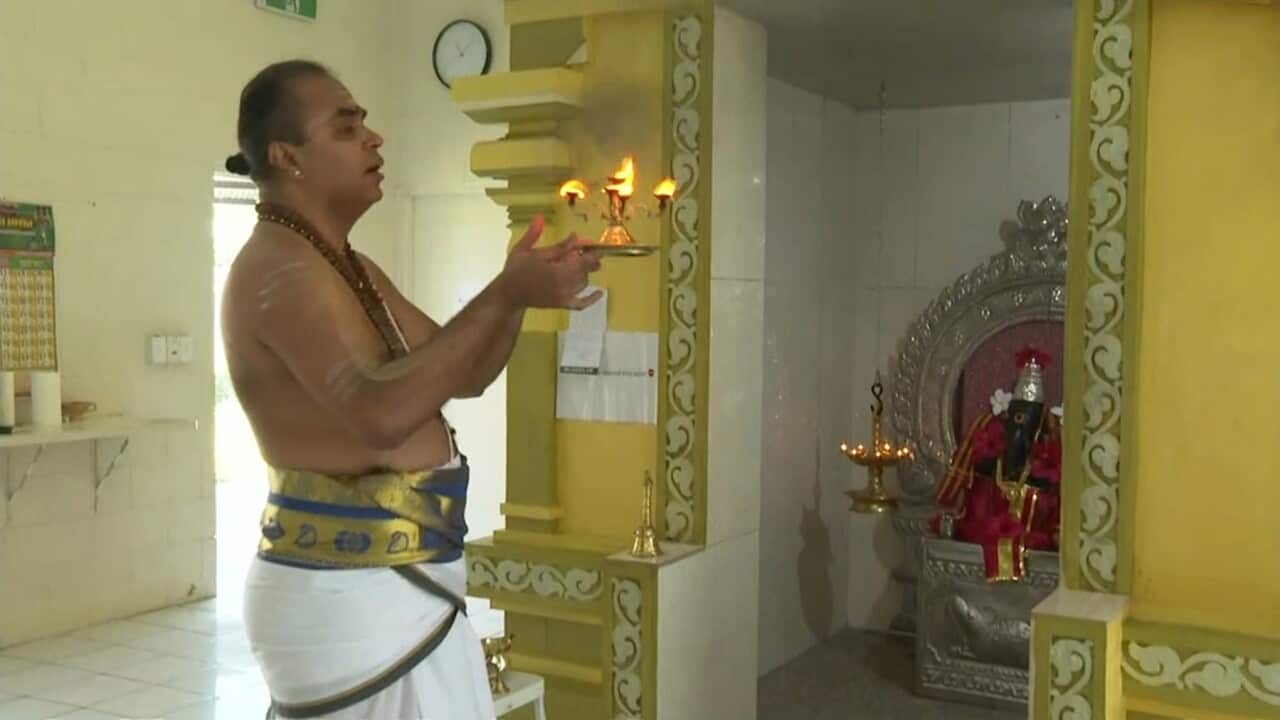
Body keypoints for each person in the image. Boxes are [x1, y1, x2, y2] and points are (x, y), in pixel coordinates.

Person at [220, 60, 601, 719]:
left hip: (392, 584)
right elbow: (381, 413)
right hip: (348, 591)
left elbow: (467, 372)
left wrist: (516, 299)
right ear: (288, 157)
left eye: (365, 122)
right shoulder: (279, 268)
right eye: (347, 127)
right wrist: (505, 293)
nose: (375, 138)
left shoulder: (348, 266)